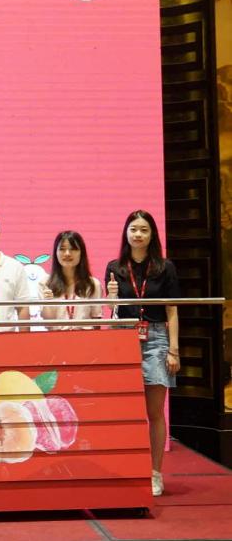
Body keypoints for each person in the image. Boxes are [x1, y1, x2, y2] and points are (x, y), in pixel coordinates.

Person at [105, 209, 181, 497]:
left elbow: (172, 310)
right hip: (123, 337)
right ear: (126, 233)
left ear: (152, 235)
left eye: (144, 230)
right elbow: (111, 311)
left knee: (154, 411)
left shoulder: (165, 267)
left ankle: (155, 473)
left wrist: (174, 350)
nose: (138, 234)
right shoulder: (115, 267)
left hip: (157, 337)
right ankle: (125, 470)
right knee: (123, 409)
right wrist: (111, 297)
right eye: (133, 229)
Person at [39, 231, 103, 329]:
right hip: (56, 336)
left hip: (85, 337)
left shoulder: (93, 284)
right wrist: (47, 302)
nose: (67, 253)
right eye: (62, 249)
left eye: (73, 249)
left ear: (81, 253)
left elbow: (96, 323)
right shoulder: (45, 284)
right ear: (56, 253)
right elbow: (48, 323)